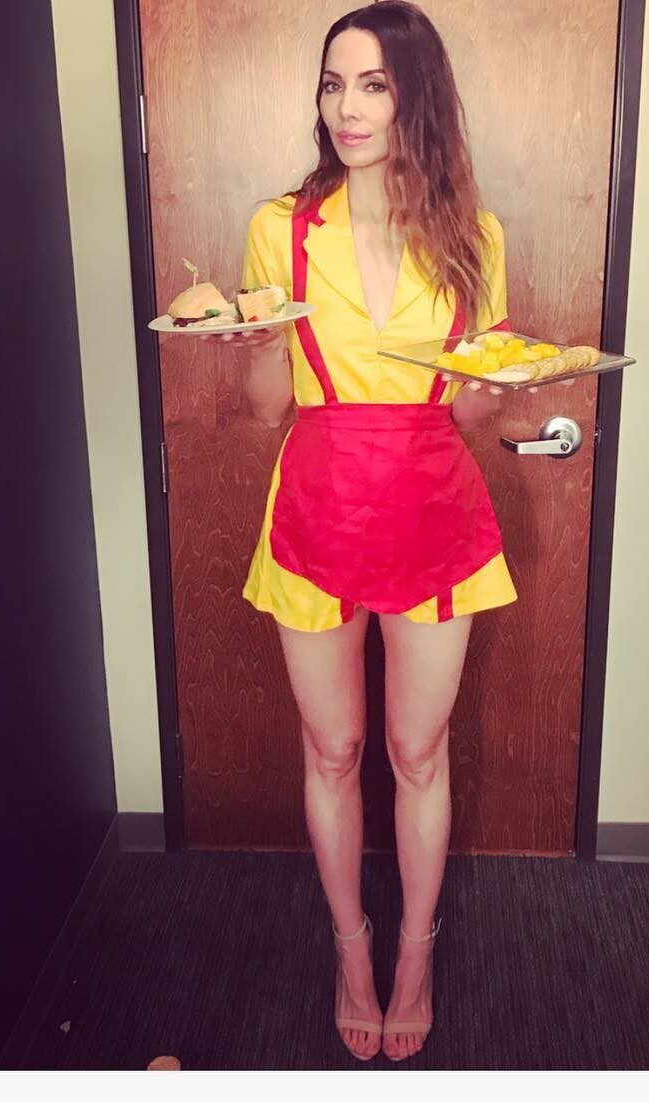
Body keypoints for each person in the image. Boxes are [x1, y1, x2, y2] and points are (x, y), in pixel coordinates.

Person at [209, 0, 519, 1063]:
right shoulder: (280, 228)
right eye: (334, 84)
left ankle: (415, 951)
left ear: (415, 97)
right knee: (334, 749)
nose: (348, 107)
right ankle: (352, 946)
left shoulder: (474, 236)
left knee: (417, 751)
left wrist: (499, 383)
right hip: (318, 502)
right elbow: (265, 406)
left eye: (374, 85)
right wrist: (256, 343)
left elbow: (475, 411)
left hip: (436, 505)